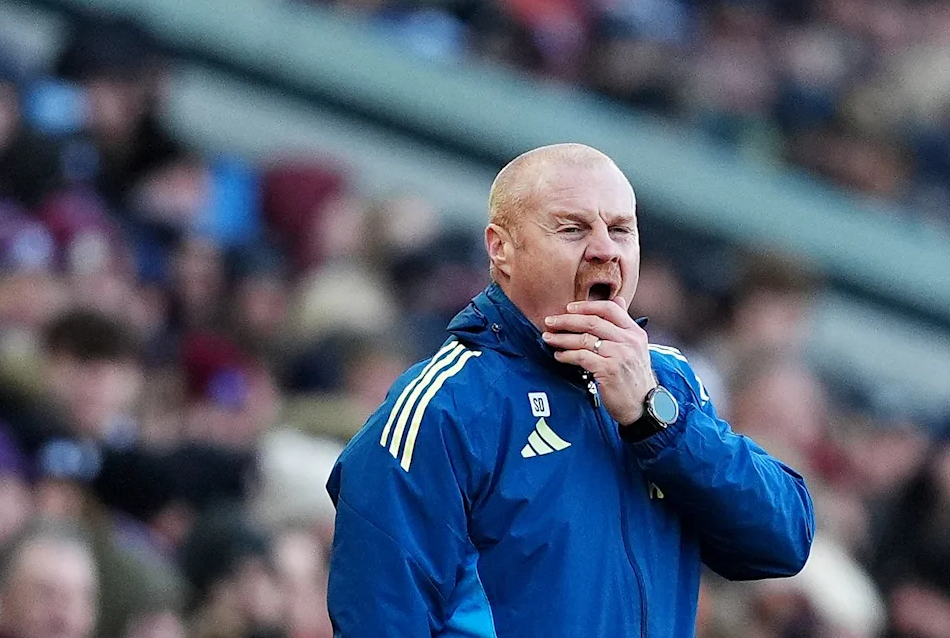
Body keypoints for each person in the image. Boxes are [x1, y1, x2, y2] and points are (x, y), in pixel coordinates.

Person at [325, 143, 815, 637]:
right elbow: (379, 617)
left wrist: (655, 422)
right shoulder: (445, 405)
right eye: (573, 229)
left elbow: (782, 541)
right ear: (501, 249)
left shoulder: (668, 384)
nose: (605, 248)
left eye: (621, 229)